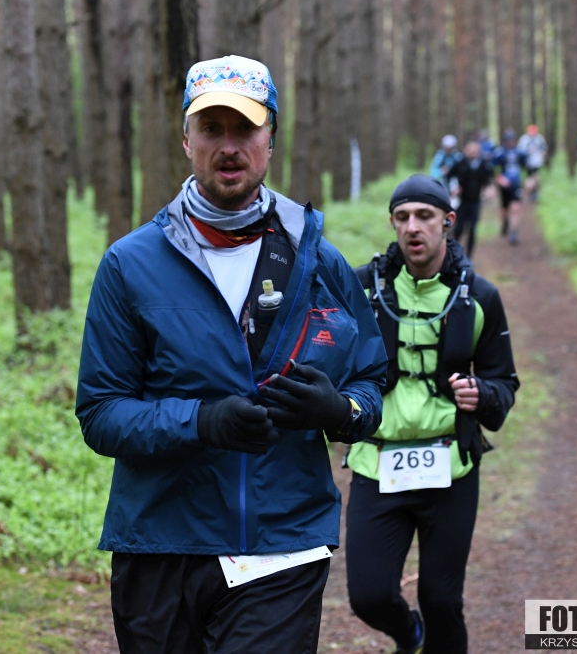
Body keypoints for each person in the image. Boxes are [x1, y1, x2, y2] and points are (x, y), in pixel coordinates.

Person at [75, 55, 387, 654]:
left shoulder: (317, 261)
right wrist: (202, 422)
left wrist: (338, 411)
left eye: (245, 128)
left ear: (271, 139)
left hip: (282, 541)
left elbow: (371, 382)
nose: (228, 146)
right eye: (211, 128)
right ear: (186, 139)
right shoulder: (130, 264)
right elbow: (101, 413)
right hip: (162, 541)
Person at [346, 175, 519, 654]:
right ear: (392, 223)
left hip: (450, 466)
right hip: (377, 463)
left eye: (424, 216)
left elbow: (504, 383)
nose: (412, 227)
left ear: (448, 221)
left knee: (442, 600)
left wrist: (481, 394)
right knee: (368, 596)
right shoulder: (361, 289)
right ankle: (410, 635)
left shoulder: (480, 296)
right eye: (402, 217)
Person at [445, 140, 495, 257]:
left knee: (472, 229)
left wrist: (489, 189)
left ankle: (469, 257)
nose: (473, 153)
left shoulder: (483, 164)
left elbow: (488, 179)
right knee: (459, 228)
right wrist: (454, 187)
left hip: (475, 201)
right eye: (471, 151)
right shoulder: (460, 163)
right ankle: (455, 254)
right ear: (466, 151)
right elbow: (449, 176)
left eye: (475, 151)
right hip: (462, 201)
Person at [493, 129, 527, 245]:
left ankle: (513, 232)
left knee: (515, 208)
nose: (510, 142)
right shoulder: (500, 153)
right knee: (505, 209)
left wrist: (528, 179)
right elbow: (492, 169)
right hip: (504, 186)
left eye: (512, 140)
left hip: (516, 184)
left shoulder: (520, 153)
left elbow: (527, 167)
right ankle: (505, 223)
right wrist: (499, 179)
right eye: (509, 140)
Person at [516, 124, 547, 202]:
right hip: (527, 162)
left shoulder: (540, 138)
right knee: (529, 178)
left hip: (537, 162)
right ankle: (529, 193)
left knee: (536, 177)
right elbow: (520, 150)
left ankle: (535, 193)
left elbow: (544, 149)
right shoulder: (524, 139)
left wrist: (541, 154)